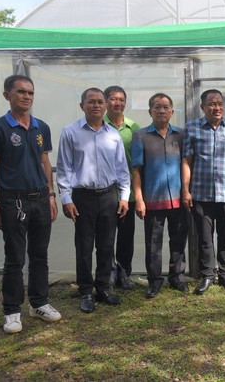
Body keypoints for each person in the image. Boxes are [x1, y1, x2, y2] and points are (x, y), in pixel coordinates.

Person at [0, 75, 61, 334]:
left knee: (40, 256)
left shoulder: (41, 127)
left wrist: (51, 195)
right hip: (12, 200)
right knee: (14, 258)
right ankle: (12, 310)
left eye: (30, 92)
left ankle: (39, 303)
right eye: (21, 92)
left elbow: (44, 163)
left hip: (40, 198)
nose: (26, 97)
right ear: (7, 95)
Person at [57, 88, 130, 313]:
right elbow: (64, 168)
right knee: (84, 246)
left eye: (100, 102)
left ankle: (103, 287)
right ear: (82, 106)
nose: (96, 105)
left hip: (109, 196)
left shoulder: (113, 134)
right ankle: (86, 291)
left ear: (105, 106)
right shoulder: (70, 132)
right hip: (83, 198)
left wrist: (124, 197)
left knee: (107, 246)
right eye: (91, 102)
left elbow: (122, 169)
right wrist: (66, 199)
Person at [182, 89, 225, 295]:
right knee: (205, 237)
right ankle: (207, 275)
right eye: (211, 104)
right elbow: (187, 160)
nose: (216, 107)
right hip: (201, 194)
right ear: (202, 107)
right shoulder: (192, 128)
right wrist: (186, 190)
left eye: (219, 103)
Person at [131, 93, 189, 298]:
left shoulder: (181, 135)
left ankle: (177, 277)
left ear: (172, 111)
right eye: (157, 107)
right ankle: (154, 281)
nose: (162, 110)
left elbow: (186, 165)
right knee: (153, 243)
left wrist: (187, 192)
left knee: (178, 241)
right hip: (153, 199)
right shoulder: (141, 136)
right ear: (150, 111)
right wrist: (138, 198)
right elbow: (136, 169)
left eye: (166, 107)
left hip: (179, 199)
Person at [104, 86, 140, 290]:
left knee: (126, 236)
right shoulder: (100, 126)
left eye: (121, 99)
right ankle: (109, 272)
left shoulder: (133, 127)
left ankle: (125, 273)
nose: (117, 103)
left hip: (129, 194)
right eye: (113, 99)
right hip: (105, 193)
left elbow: (137, 164)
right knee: (106, 237)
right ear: (106, 101)